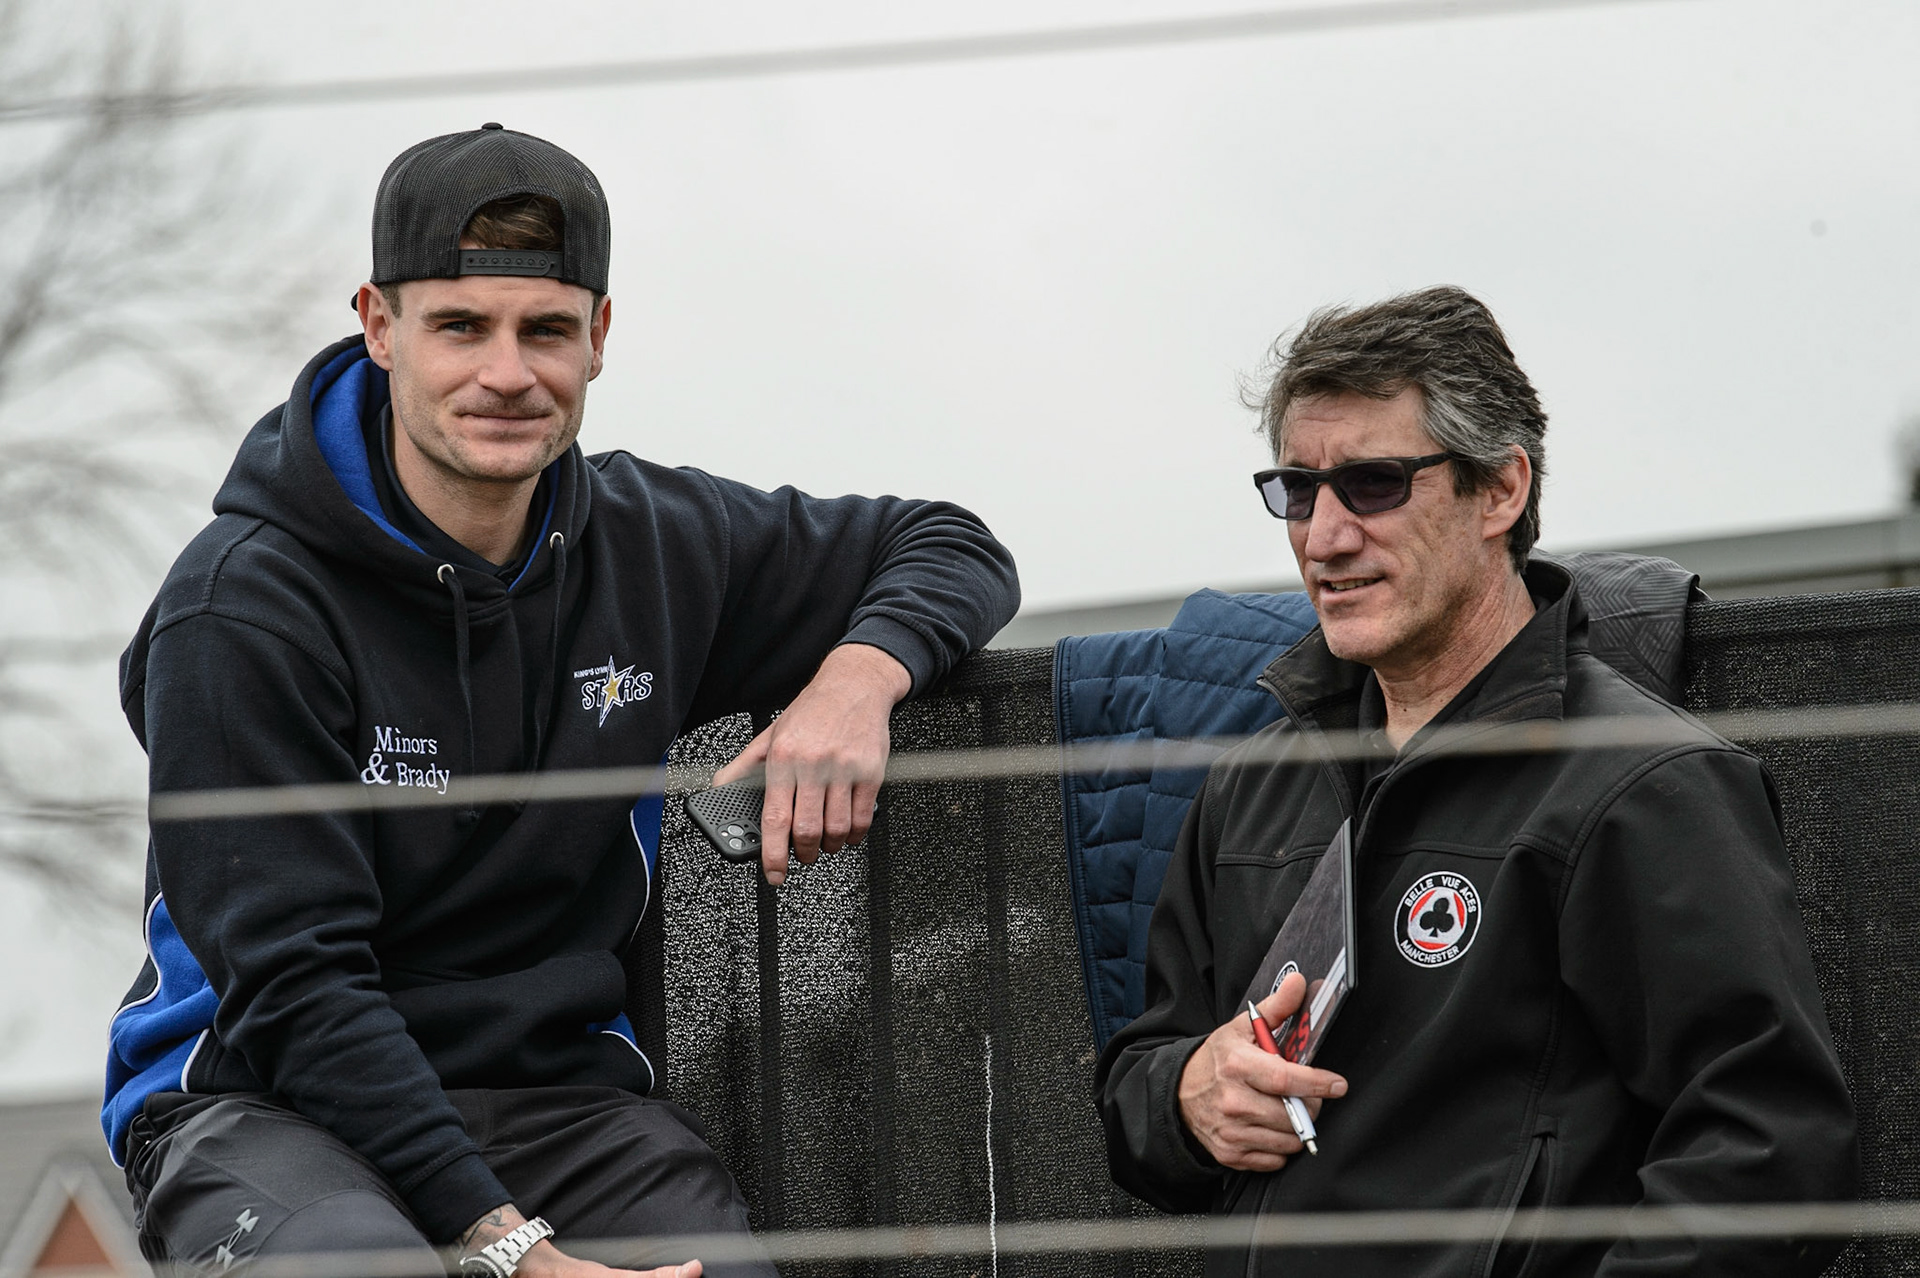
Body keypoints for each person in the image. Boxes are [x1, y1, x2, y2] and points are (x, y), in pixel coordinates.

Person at [103, 124, 1019, 1278]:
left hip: (556, 1102)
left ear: (599, 337)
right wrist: (512, 1253)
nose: (507, 374)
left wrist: (858, 680)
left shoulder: (657, 546)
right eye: (460, 326)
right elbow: (293, 992)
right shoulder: (240, 606)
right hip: (265, 1098)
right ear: (379, 327)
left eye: (545, 329)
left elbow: (948, 543)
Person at [1095, 286, 1857, 1277]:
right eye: (1298, 490)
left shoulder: (1645, 786)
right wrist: (1190, 1098)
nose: (1324, 537)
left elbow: (1769, 1157)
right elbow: (1139, 1090)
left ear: (1499, 491)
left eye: (1373, 484)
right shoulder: (1253, 786)